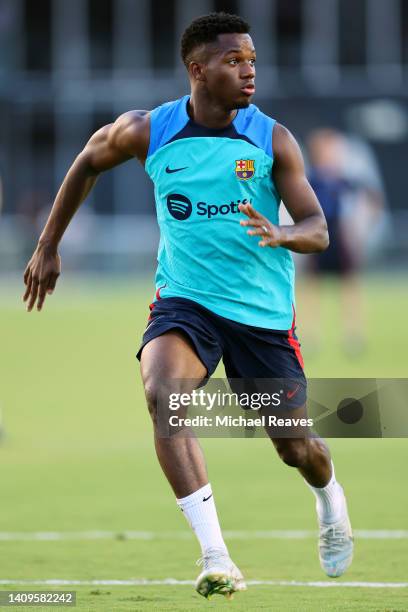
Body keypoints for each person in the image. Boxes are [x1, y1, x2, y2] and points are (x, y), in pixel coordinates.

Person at [22, 12, 353, 600]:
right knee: (163, 397)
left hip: (261, 317)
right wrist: (48, 245)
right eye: (234, 61)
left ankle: (329, 499)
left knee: (296, 447)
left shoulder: (270, 138)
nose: (249, 72)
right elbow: (86, 162)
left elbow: (319, 229)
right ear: (198, 70)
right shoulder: (148, 130)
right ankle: (215, 554)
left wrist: (283, 235)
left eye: (252, 60)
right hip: (185, 301)